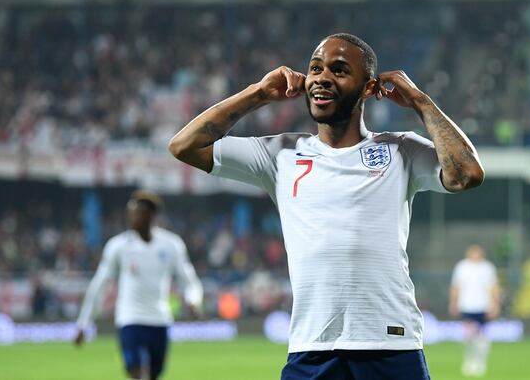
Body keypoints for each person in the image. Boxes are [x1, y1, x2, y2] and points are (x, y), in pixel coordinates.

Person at [169, 33, 484, 380]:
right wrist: (258, 94)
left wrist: (422, 102)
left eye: (339, 70)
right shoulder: (280, 154)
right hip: (312, 350)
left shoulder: (401, 150)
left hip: (390, 345)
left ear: (367, 88)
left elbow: (466, 174)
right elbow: (184, 145)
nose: (321, 78)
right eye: (315, 68)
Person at [74, 191, 203, 380]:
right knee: (136, 372)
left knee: (153, 374)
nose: (133, 216)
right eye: (131, 211)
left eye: (138, 211)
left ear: (152, 215)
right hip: (130, 318)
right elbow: (99, 284)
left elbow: (189, 280)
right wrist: (83, 323)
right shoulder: (118, 246)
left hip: (160, 319)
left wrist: (193, 300)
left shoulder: (171, 245)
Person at [449, 244, 500, 377]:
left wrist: (495, 304)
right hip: (467, 305)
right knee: (469, 336)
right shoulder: (462, 267)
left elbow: (494, 287)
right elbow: (456, 286)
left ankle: (480, 362)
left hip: (483, 306)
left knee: (482, 336)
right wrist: (454, 303)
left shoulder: (487, 268)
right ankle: (469, 361)